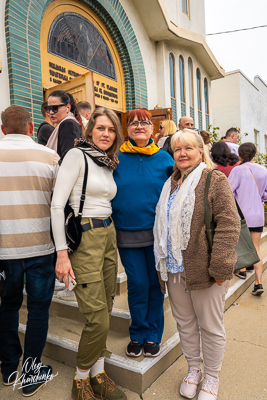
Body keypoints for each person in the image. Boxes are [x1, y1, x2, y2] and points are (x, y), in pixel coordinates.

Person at [154, 129, 240, 400]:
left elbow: (229, 222)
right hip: (175, 269)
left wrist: (220, 268)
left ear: (201, 150)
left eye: (188, 148)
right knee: (185, 325)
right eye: (177, 149)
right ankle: (194, 369)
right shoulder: (171, 183)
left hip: (206, 269)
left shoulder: (213, 179)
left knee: (211, 326)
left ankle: (211, 377)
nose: (182, 153)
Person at [51, 107, 126, 400]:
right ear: (89, 130)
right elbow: (58, 205)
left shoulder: (107, 162)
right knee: (98, 317)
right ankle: (81, 377)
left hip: (108, 235)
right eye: (100, 128)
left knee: (105, 309)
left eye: (110, 129)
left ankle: (99, 373)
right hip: (85, 238)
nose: (106, 134)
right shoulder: (77, 155)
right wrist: (61, 253)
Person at [0, 105, 59, 396]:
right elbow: (60, 204)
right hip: (40, 247)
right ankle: (31, 374)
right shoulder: (49, 156)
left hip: (3, 249)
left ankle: (9, 366)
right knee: (38, 311)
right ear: (30, 127)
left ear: (2, 129)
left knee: (7, 306)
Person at [112, 108, 174, 358]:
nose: (139, 126)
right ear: (127, 129)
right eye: (133, 122)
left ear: (152, 128)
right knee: (137, 285)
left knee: (155, 285)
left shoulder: (165, 159)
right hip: (126, 233)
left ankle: (152, 335)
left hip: (156, 235)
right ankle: (137, 333)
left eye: (144, 122)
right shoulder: (115, 157)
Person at [229, 142, 267, 294]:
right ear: (254, 154)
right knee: (256, 247)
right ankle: (258, 283)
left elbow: (228, 192)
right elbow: (265, 194)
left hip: (241, 215)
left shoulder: (237, 170)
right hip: (257, 214)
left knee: (240, 245)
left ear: (239, 155)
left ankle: (242, 269)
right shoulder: (264, 170)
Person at [46, 90, 83, 158]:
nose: (51, 112)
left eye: (55, 108)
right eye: (48, 108)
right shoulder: (70, 123)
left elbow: (69, 158)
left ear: (68, 107)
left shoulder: (68, 125)